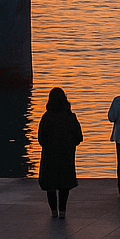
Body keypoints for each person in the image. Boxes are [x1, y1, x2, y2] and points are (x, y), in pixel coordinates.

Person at [37, 87, 83, 219]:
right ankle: (62, 210)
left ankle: (53, 211)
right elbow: (79, 137)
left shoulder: (46, 117)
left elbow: (41, 139)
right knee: (64, 184)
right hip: (66, 154)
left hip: (49, 155)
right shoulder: (70, 117)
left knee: (50, 184)